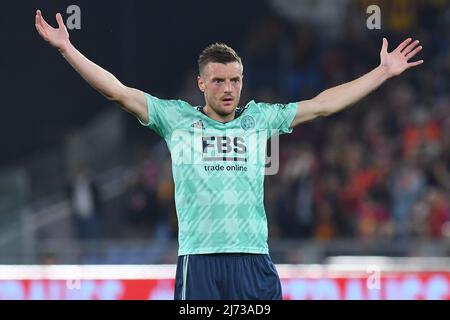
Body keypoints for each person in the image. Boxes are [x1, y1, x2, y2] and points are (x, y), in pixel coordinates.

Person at [35, 9, 423, 300]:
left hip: (252, 259)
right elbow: (117, 91)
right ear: (201, 83)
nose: (228, 88)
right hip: (199, 261)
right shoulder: (176, 118)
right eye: (218, 80)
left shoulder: (260, 120)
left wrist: (381, 73)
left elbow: (323, 105)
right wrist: (68, 47)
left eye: (235, 80)